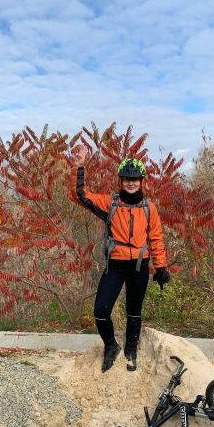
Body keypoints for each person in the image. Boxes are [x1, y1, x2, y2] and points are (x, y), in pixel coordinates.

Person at [71, 144, 171, 372]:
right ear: (121, 180)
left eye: (135, 179)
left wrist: (161, 266)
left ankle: (131, 349)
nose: (131, 183)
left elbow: (156, 238)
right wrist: (79, 166)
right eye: (127, 179)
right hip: (115, 266)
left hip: (139, 266)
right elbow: (81, 195)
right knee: (101, 311)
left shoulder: (149, 208)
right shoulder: (111, 203)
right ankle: (111, 346)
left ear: (141, 181)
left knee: (134, 312)